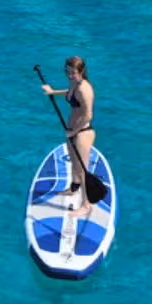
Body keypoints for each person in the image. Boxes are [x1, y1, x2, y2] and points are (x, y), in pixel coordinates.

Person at [40, 56, 98, 216]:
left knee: (83, 169)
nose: (69, 75)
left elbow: (88, 115)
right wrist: (53, 92)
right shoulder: (75, 84)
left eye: (73, 72)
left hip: (82, 132)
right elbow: (70, 93)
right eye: (67, 72)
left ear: (81, 71)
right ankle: (74, 188)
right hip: (72, 130)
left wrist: (73, 131)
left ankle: (86, 206)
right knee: (74, 164)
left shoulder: (84, 89)